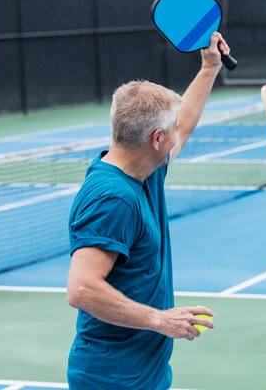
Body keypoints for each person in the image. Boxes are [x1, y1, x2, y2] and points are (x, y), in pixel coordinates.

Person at [66, 33, 230, 389]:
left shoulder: (145, 168)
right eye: (168, 132)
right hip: (112, 379)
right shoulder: (112, 199)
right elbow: (80, 289)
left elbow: (182, 123)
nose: (177, 135)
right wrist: (158, 319)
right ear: (156, 139)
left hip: (145, 373)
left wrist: (209, 67)